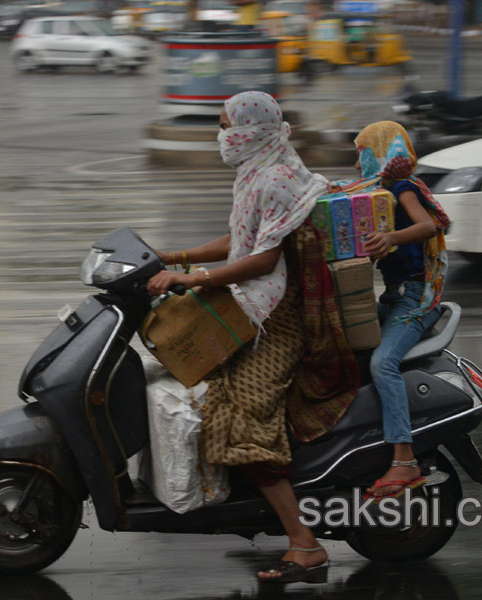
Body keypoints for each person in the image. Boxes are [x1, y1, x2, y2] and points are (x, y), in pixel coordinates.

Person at [147, 91, 359, 583]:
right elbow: (241, 240)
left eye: (227, 126)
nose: (223, 136)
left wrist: (194, 278)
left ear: (254, 129)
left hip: (279, 320)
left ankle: (305, 545)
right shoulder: (258, 169)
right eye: (221, 126)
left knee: (242, 422)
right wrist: (175, 257)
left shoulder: (277, 179)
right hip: (256, 302)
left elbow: (262, 261)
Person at [337, 121, 450, 499]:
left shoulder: (402, 188)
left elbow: (428, 225)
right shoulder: (376, 194)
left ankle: (404, 459)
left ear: (378, 151)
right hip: (393, 296)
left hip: (416, 298)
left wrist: (391, 237)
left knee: (381, 364)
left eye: (361, 153)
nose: (357, 165)